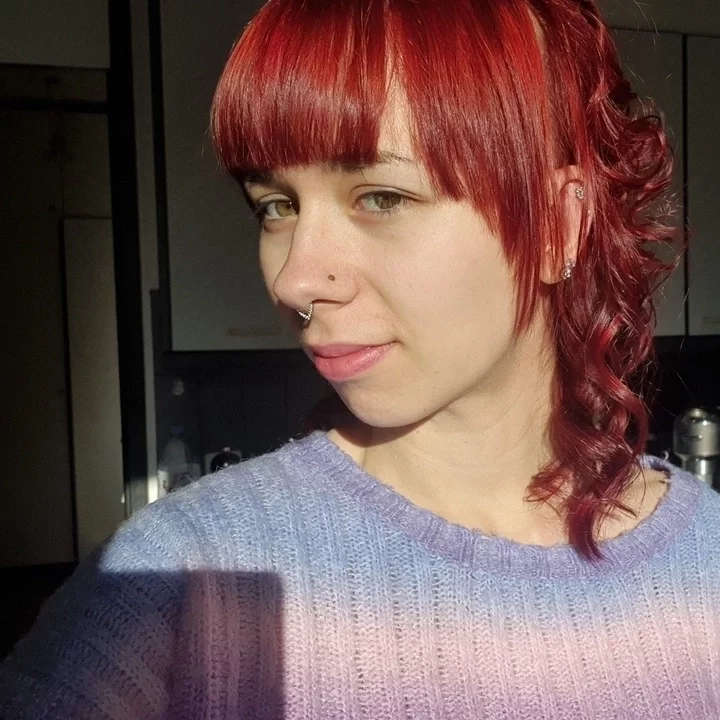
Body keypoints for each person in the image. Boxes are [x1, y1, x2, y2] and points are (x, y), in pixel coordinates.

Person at [1, 0, 719, 717]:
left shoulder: (706, 561)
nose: (294, 280)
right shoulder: (181, 576)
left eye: (381, 196)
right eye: (276, 205)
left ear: (560, 225)